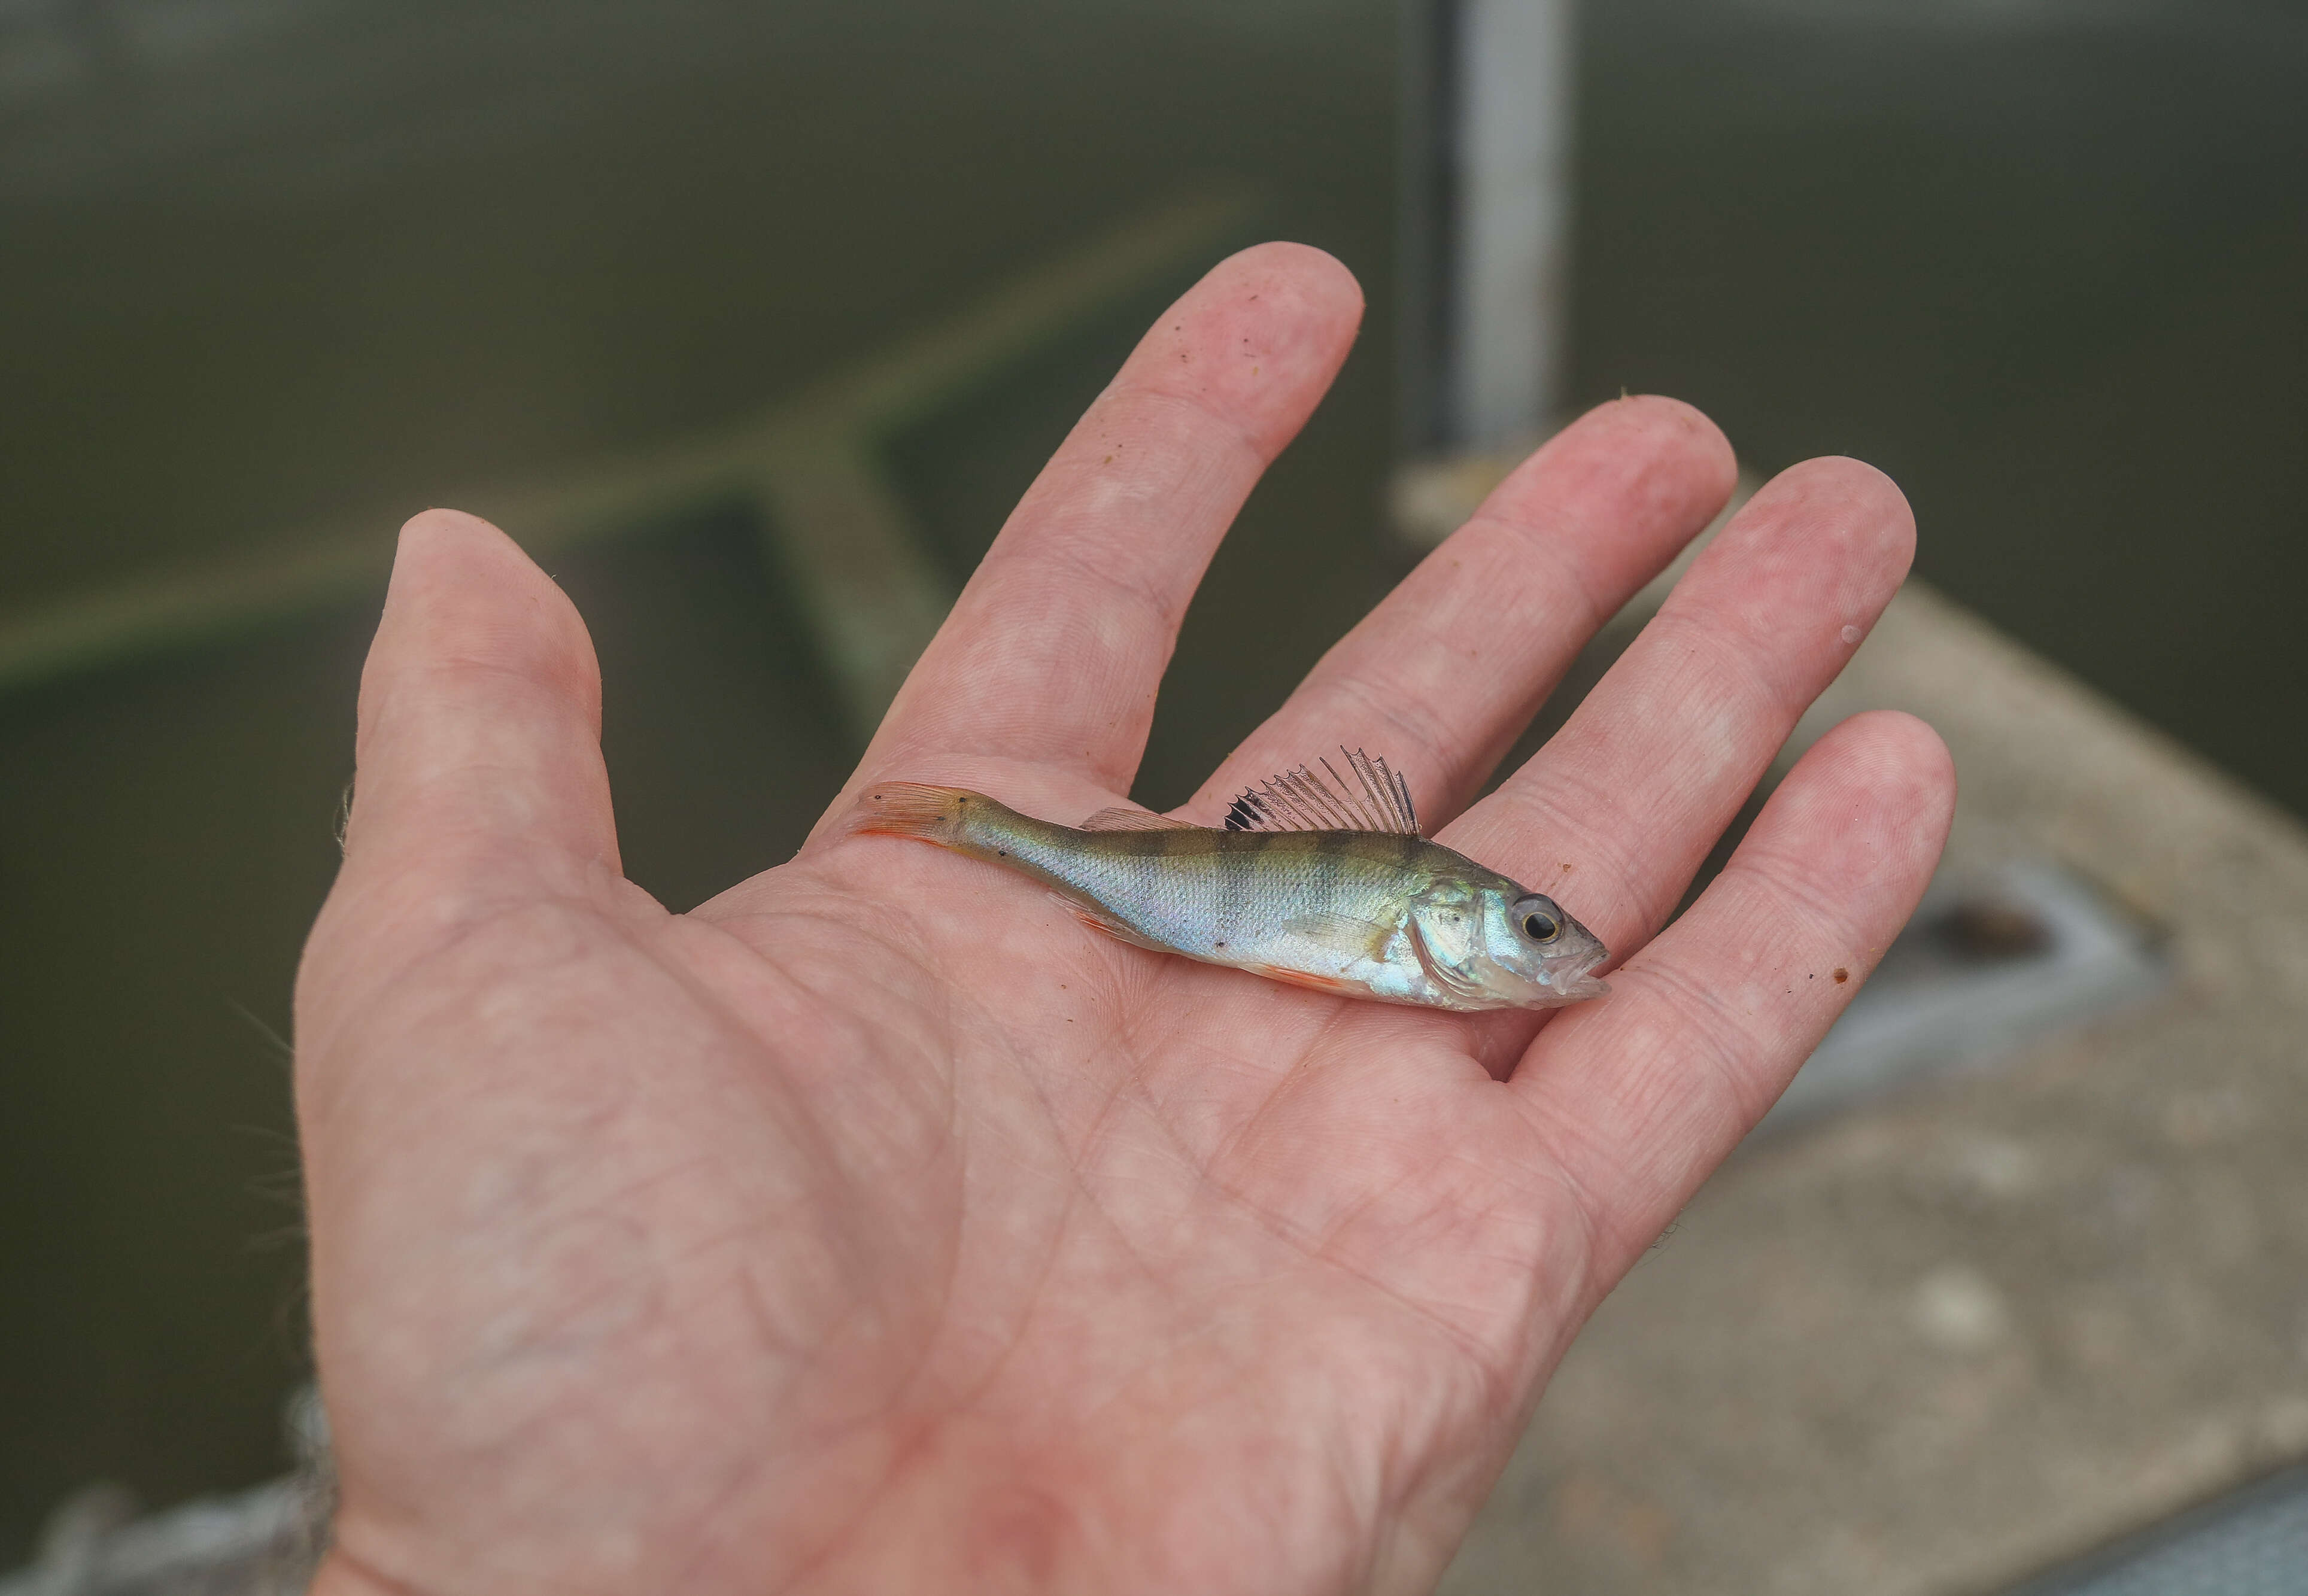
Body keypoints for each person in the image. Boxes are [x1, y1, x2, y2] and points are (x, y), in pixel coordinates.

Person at [293, 244, 1952, 1595]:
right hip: (1172, 897)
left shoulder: (1420, 944)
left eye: (1530, 932)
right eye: (1528, 929)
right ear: (1453, 922)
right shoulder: (1408, 934)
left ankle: (984, 831)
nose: (1547, 950)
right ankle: (973, 830)